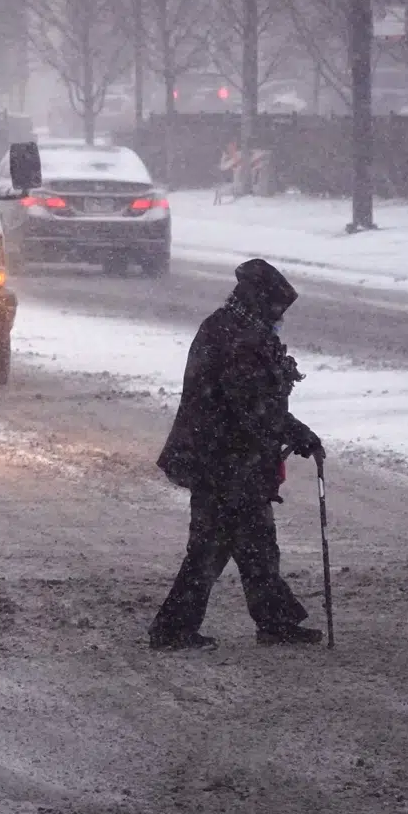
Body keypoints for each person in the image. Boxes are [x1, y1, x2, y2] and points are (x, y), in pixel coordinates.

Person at [149, 258, 326, 651]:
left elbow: (255, 404)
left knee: (255, 543)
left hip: (231, 460)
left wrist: (289, 431)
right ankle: (173, 629)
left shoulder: (234, 328)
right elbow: (251, 405)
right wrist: (297, 433)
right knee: (211, 548)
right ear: (260, 301)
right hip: (221, 462)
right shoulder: (236, 339)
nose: (280, 318)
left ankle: (275, 622)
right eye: (277, 309)